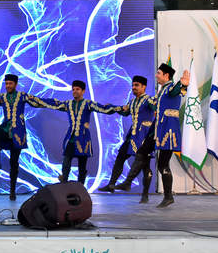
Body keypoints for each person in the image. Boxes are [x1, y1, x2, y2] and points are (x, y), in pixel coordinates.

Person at [115, 63, 189, 208]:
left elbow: (175, 91)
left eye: (159, 73)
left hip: (168, 131)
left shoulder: (170, 88)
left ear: (166, 75)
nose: (156, 75)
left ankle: (168, 197)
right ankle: (128, 182)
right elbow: (155, 104)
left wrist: (183, 84)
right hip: (157, 129)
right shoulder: (162, 91)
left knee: (163, 165)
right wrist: (126, 107)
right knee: (141, 152)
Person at [0, 74, 53, 200]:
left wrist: (54, 104)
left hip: (18, 132)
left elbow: (37, 102)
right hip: (5, 128)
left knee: (14, 162)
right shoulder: (2, 97)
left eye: (10, 83)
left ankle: (12, 191)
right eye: (6, 83)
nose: (8, 86)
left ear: (15, 84)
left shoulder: (22, 96)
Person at [38, 80, 121, 185]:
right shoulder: (68, 104)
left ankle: (81, 186)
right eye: (73, 89)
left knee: (82, 164)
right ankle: (64, 182)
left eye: (77, 89)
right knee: (66, 160)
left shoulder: (88, 104)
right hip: (71, 137)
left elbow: (103, 109)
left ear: (83, 91)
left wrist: (118, 108)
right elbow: (54, 103)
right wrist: (37, 100)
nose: (75, 91)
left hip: (83, 138)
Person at [99, 75, 155, 203]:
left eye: (137, 85)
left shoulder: (149, 100)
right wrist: (113, 107)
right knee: (120, 157)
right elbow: (125, 112)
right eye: (133, 85)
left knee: (145, 165)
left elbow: (156, 107)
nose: (134, 87)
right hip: (132, 136)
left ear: (144, 87)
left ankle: (145, 195)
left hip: (144, 136)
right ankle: (111, 185)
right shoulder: (132, 101)